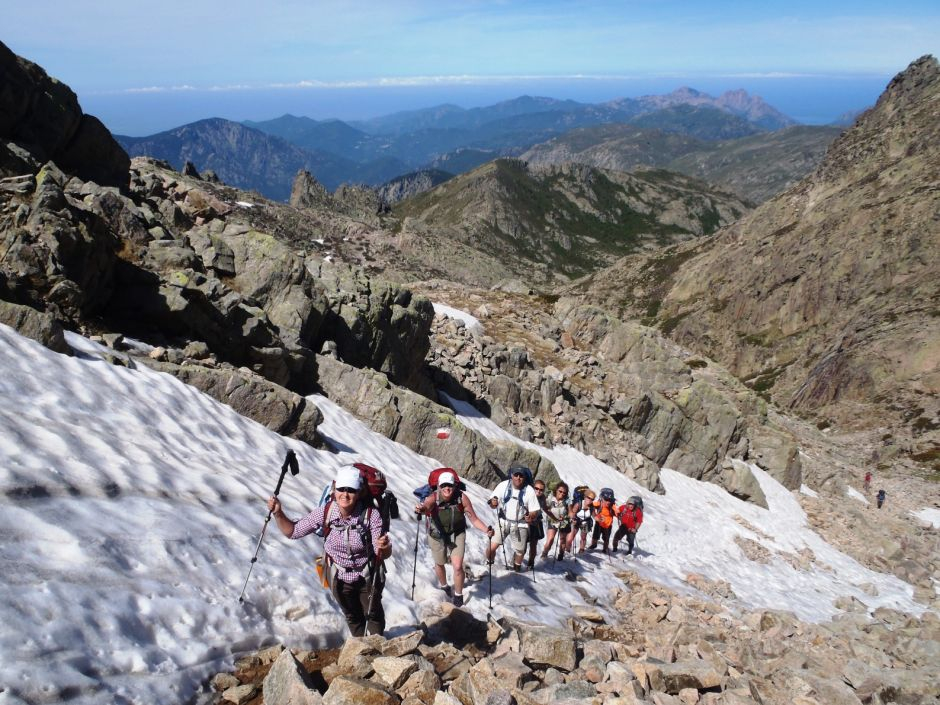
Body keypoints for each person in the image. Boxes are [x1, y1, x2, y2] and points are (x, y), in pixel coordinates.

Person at [267, 465, 392, 636]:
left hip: (367, 574)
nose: (345, 494)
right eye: (341, 489)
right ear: (334, 489)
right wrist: (278, 513)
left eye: (351, 490)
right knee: (352, 615)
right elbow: (293, 531)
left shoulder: (371, 515)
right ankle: (361, 649)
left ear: (360, 492)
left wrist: (385, 547)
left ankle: (378, 644)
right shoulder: (325, 512)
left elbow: (381, 552)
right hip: (336, 573)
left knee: (373, 614)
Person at [414, 471, 493, 607]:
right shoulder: (434, 498)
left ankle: (458, 594)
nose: (447, 488)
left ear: (455, 486)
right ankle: (444, 586)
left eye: (450, 485)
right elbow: (426, 507)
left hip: (457, 533)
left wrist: (487, 530)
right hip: (437, 534)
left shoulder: (462, 498)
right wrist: (421, 509)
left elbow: (473, 519)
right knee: (439, 563)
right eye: (444, 485)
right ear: (439, 486)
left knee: (457, 566)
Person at [486, 467, 541, 571]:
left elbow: (535, 510)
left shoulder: (529, 490)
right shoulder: (503, 486)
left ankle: (516, 568)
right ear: (511, 475)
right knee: (491, 547)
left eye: (521, 476)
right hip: (503, 521)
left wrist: (531, 516)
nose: (518, 478)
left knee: (520, 551)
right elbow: (492, 502)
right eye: (516, 475)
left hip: (520, 524)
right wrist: (493, 503)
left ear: (524, 477)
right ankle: (489, 565)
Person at [541, 481, 572, 561]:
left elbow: (570, 511)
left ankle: (560, 555)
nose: (562, 493)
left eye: (564, 492)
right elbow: (545, 507)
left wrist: (570, 517)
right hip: (553, 520)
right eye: (560, 491)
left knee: (562, 540)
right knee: (550, 539)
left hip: (564, 522)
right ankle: (544, 554)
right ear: (556, 490)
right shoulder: (550, 497)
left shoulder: (567, 500)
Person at [525, 480, 547, 569]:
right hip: (526, 523)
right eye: (536, 488)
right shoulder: (527, 495)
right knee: (522, 545)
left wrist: (555, 519)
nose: (538, 491)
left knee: (533, 545)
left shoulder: (542, 498)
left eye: (541, 490)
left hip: (536, 523)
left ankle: (531, 563)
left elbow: (545, 509)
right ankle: (517, 561)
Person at [589, 488, 616, 553]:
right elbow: (591, 505)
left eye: (610, 500)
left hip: (608, 525)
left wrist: (618, 513)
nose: (608, 502)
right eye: (606, 500)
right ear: (602, 498)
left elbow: (616, 511)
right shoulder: (599, 503)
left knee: (606, 538)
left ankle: (605, 548)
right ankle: (594, 544)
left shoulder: (612, 506)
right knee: (595, 535)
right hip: (599, 523)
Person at [569, 487, 595, 554]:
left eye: (592, 499)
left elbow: (594, 515)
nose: (590, 500)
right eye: (589, 498)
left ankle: (581, 549)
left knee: (583, 537)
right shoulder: (578, 504)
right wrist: (573, 520)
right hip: (577, 520)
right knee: (572, 536)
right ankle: (567, 550)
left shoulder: (592, 507)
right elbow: (573, 513)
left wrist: (599, 518)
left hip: (585, 522)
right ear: (585, 496)